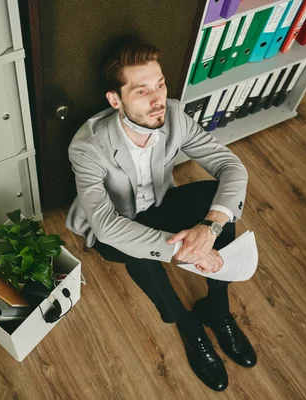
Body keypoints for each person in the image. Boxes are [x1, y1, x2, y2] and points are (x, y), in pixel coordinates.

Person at [65, 41, 256, 391]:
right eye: (141, 91)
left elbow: (231, 167)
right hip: (116, 225)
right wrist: (188, 250)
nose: (157, 100)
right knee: (137, 258)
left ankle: (217, 309)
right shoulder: (87, 148)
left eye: (160, 84)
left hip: (161, 202)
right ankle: (187, 325)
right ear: (115, 100)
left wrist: (210, 229)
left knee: (219, 209)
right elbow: (106, 225)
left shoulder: (173, 115)